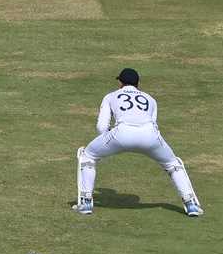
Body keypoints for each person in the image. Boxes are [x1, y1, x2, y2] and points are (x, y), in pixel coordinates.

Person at [74, 68, 202, 217]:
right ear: (138, 83)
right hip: (150, 136)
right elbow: (153, 124)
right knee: (173, 164)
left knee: (87, 155)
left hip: (121, 134)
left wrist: (107, 141)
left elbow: (101, 127)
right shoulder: (150, 99)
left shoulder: (111, 96)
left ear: (120, 83)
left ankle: (85, 203)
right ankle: (191, 204)